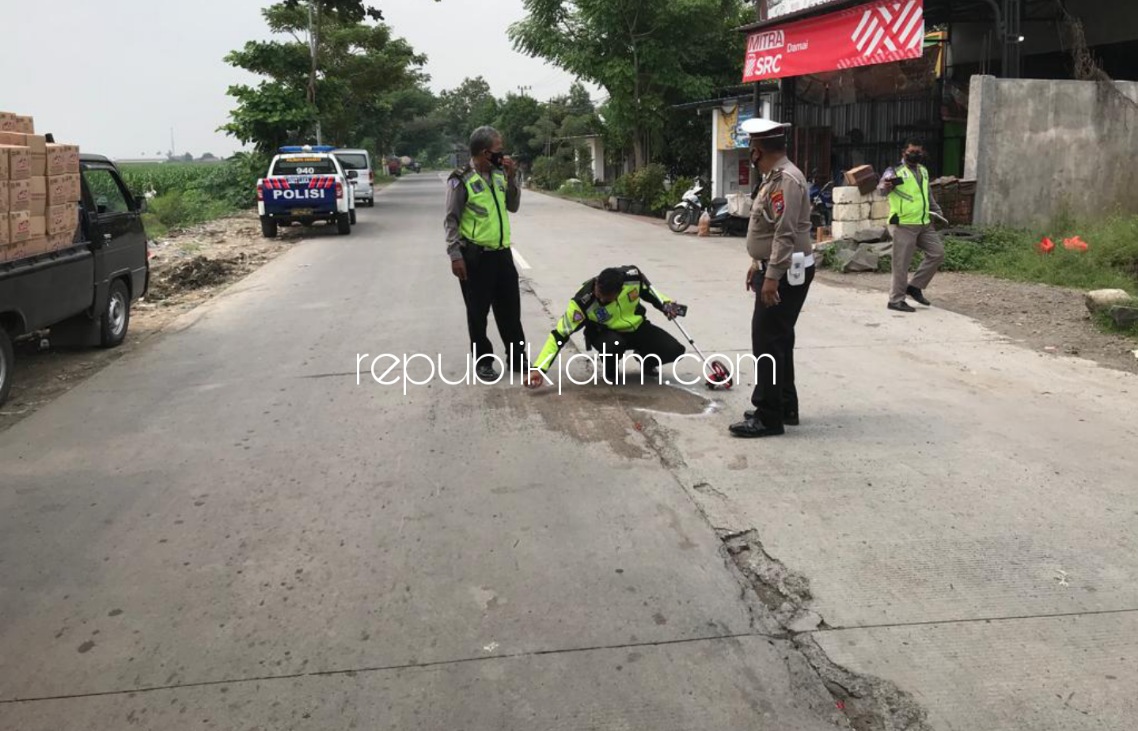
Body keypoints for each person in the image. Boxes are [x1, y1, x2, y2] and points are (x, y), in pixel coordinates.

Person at [730, 118, 815, 439]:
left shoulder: (785, 180)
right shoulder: (775, 177)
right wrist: (758, 262)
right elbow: (769, 226)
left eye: (752, 147)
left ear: (758, 150)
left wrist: (772, 277)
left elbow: (785, 231)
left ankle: (768, 416)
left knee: (767, 342)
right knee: (779, 339)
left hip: (785, 271)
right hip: (777, 267)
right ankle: (783, 406)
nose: (751, 153)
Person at [445, 126, 527, 379]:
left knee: (511, 311)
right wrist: (455, 255)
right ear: (484, 152)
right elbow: (451, 219)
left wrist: (512, 178)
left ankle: (517, 358)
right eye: (498, 151)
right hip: (475, 258)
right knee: (478, 313)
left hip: (502, 255)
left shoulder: (501, 174)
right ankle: (483, 362)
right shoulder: (461, 178)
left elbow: (512, 207)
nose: (503, 155)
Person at [525, 266, 686, 387]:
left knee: (675, 350)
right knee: (614, 345)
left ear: (620, 291)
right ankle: (610, 370)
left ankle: (647, 361)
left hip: (637, 327)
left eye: (606, 299)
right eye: (599, 294)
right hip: (605, 333)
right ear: (597, 284)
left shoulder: (633, 279)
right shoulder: (582, 302)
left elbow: (652, 294)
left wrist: (667, 304)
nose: (601, 299)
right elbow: (559, 335)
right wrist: (539, 368)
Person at [878, 138, 946, 313]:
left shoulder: (923, 170)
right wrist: (886, 186)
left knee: (937, 253)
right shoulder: (895, 170)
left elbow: (927, 194)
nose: (916, 155)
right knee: (901, 264)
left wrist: (937, 211)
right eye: (912, 152)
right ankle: (896, 300)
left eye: (918, 152)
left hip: (923, 223)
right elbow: (882, 189)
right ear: (904, 153)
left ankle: (915, 286)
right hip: (903, 223)